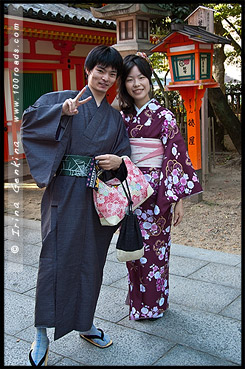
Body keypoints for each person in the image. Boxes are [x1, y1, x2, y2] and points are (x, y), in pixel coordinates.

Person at [21, 45, 131, 366]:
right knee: (55, 258)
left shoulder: (113, 118)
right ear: (89, 69)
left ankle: (85, 323)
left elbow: (123, 157)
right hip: (63, 193)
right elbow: (29, 123)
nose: (105, 78)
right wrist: (60, 113)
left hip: (95, 195)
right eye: (100, 70)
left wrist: (117, 161)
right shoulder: (62, 99)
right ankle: (41, 330)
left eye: (112, 74)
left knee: (91, 261)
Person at [118, 53, 203, 321]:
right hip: (130, 190)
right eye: (130, 79)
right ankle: (137, 299)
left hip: (158, 194)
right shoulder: (122, 116)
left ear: (149, 80)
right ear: (124, 84)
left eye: (141, 77)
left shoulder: (164, 117)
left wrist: (178, 199)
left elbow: (177, 157)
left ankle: (154, 304)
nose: (136, 84)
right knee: (132, 248)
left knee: (156, 250)